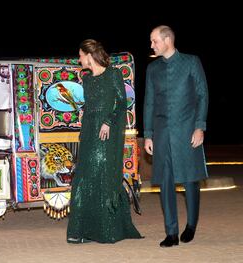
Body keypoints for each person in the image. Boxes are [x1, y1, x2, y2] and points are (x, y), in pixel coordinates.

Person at [66, 39, 142, 243]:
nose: (79, 58)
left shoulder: (114, 74)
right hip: (90, 132)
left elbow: (121, 102)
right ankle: (80, 231)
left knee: (104, 178)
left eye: (80, 54)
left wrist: (107, 121)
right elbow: (90, 106)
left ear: (89, 55)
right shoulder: (87, 79)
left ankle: (108, 229)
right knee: (83, 179)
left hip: (107, 134)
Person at [143, 25, 209, 247]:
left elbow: (202, 94)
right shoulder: (152, 69)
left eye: (154, 41)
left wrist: (200, 127)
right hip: (161, 134)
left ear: (168, 40)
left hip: (187, 131)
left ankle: (191, 225)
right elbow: (149, 102)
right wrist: (148, 134)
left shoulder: (191, 62)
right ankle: (171, 232)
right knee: (165, 182)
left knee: (190, 180)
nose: (152, 45)